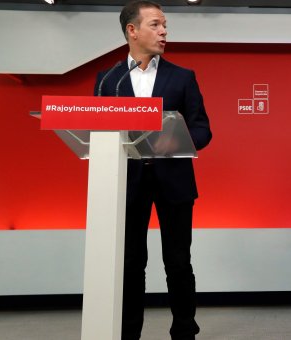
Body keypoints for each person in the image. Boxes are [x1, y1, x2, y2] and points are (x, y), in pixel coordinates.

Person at [94, 1, 212, 339]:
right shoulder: (109, 80)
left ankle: (185, 330)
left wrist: (174, 141)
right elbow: (98, 130)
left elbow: (203, 129)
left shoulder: (183, 77)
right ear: (132, 31)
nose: (164, 32)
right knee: (130, 264)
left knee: (178, 262)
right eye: (156, 25)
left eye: (165, 25)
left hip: (174, 182)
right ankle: (129, 332)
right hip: (127, 183)